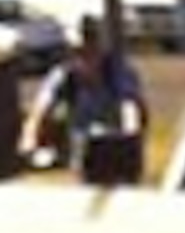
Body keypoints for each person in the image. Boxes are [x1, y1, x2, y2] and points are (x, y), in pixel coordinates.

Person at [20, 15, 148, 174]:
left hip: (112, 141)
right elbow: (39, 109)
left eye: (91, 49)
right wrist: (28, 141)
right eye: (78, 53)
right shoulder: (64, 74)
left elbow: (129, 108)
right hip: (79, 140)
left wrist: (129, 142)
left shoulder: (118, 72)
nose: (84, 58)